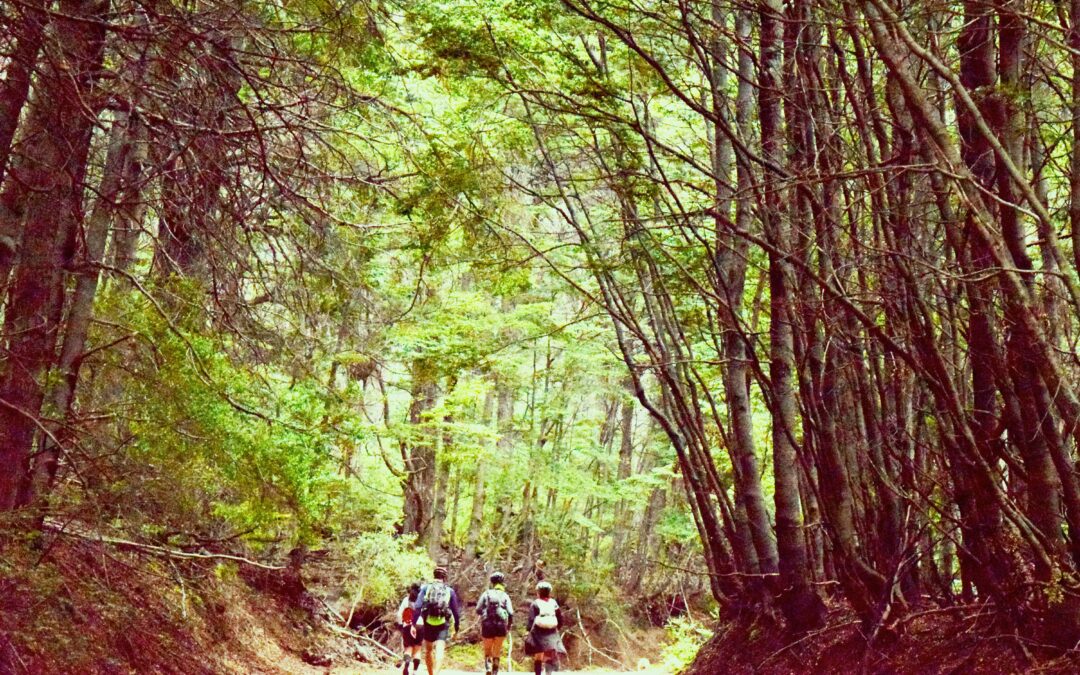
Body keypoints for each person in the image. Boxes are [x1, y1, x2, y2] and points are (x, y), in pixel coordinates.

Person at [412, 566, 461, 675]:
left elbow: (418, 606)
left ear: (434, 575)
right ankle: (436, 673)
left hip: (428, 622)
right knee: (440, 651)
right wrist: (457, 626)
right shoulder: (449, 591)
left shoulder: (426, 588)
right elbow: (455, 611)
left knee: (429, 650)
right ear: (444, 578)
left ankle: (431, 674)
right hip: (443, 623)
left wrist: (413, 624)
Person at [476, 571, 514, 675]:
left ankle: (488, 668)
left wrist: (485, 612)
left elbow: (478, 609)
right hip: (501, 626)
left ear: (492, 583)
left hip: (487, 624)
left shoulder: (486, 593)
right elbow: (511, 612)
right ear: (502, 583)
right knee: (497, 650)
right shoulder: (505, 595)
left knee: (487, 649)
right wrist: (509, 626)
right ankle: (495, 671)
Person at [525, 580, 566, 675]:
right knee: (548, 654)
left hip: (539, 631)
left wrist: (528, 631)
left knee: (538, 654)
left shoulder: (535, 603)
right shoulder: (553, 603)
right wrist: (558, 628)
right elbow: (559, 617)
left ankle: (538, 673)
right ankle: (548, 673)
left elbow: (531, 619)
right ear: (549, 592)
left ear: (538, 592)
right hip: (552, 630)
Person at [395, 582, 423, 675]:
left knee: (408, 648)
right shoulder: (423, 601)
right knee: (418, 650)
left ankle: (407, 663)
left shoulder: (406, 600)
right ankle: (414, 672)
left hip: (407, 626)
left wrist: (400, 625)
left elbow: (399, 614)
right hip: (420, 626)